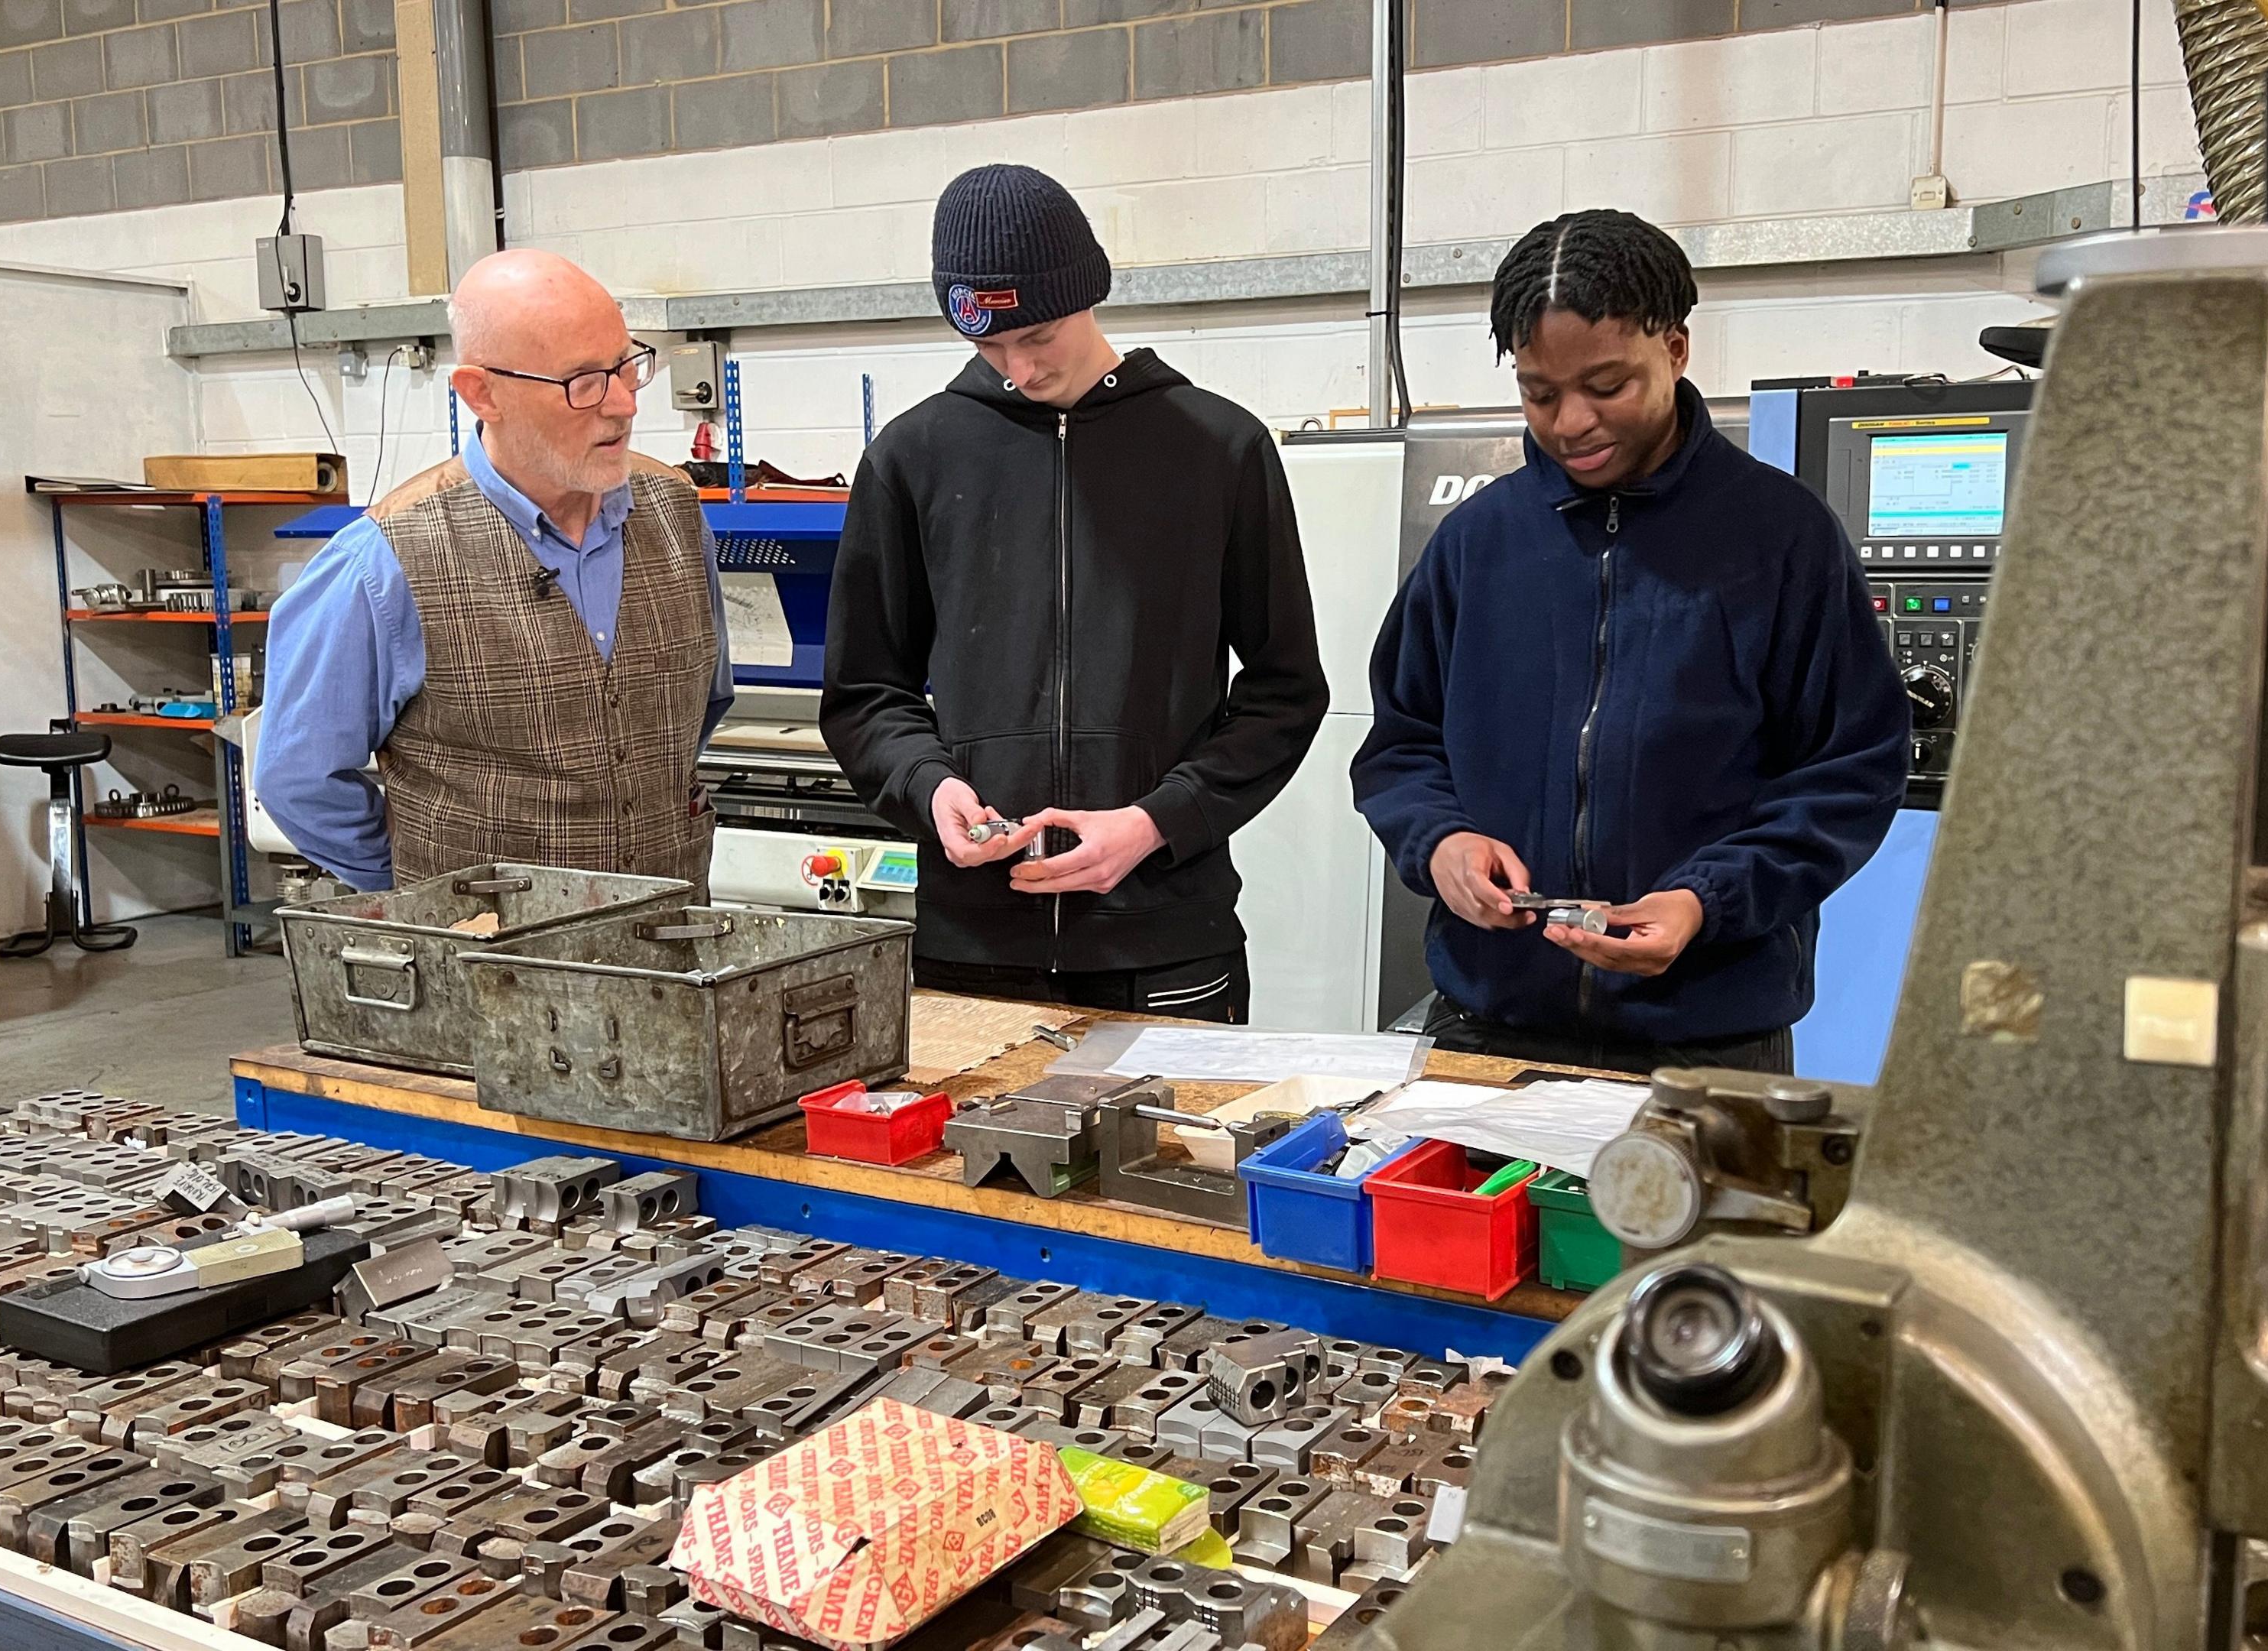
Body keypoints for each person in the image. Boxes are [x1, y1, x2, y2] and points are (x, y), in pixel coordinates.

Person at [1351, 209, 1908, 1075]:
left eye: (1607, 386)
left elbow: (1849, 773)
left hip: (1709, 1045)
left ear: (1676, 350)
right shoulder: (1477, 544)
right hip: (1489, 1035)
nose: (1572, 421)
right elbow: (1401, 746)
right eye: (1540, 393)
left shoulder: (1781, 541)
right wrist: (1441, 844)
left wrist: (1704, 900)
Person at [823, 164, 1327, 1023]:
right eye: (990, 349)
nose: (1018, 368)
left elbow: (1285, 690)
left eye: (1040, 336)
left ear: (1088, 294)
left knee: (1166, 1162)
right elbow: (868, 694)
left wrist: (1157, 821)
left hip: (1164, 944)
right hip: (972, 948)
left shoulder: (1218, 448)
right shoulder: (913, 458)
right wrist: (929, 786)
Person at [259, 249, 729, 893]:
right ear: (483, 393)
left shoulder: (675, 514)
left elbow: (698, 707)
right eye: (584, 381)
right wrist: (425, 891)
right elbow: (300, 778)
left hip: (668, 948)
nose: (623, 404)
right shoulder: (384, 561)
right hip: (485, 968)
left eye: (626, 366)